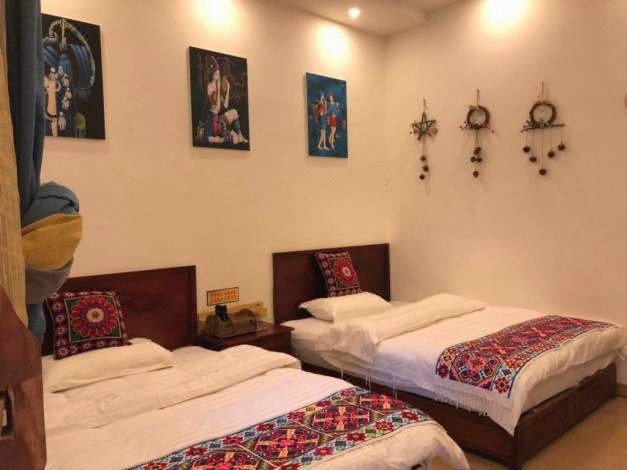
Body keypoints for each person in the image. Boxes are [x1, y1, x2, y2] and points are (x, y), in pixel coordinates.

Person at [205, 57, 248, 145]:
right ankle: (224, 138)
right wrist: (218, 88)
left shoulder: (217, 87)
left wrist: (228, 88)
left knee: (234, 112)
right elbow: (216, 108)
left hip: (218, 120)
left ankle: (240, 135)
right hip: (213, 121)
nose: (218, 77)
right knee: (234, 139)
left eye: (218, 74)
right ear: (212, 74)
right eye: (216, 74)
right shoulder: (210, 86)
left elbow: (225, 106)